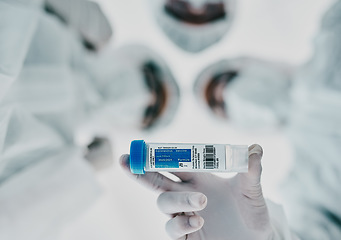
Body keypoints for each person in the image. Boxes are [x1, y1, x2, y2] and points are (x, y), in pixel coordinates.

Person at [120, 1, 341, 239]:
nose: (235, 96)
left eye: (227, 81)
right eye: (222, 105)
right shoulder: (311, 188)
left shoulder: (333, 32)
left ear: (254, 62)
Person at [0, 0, 179, 239]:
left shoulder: (55, 153)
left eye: (148, 113)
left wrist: (74, 177)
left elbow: (8, 224)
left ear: (130, 128)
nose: (143, 97)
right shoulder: (58, 28)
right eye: (148, 79)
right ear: (129, 54)